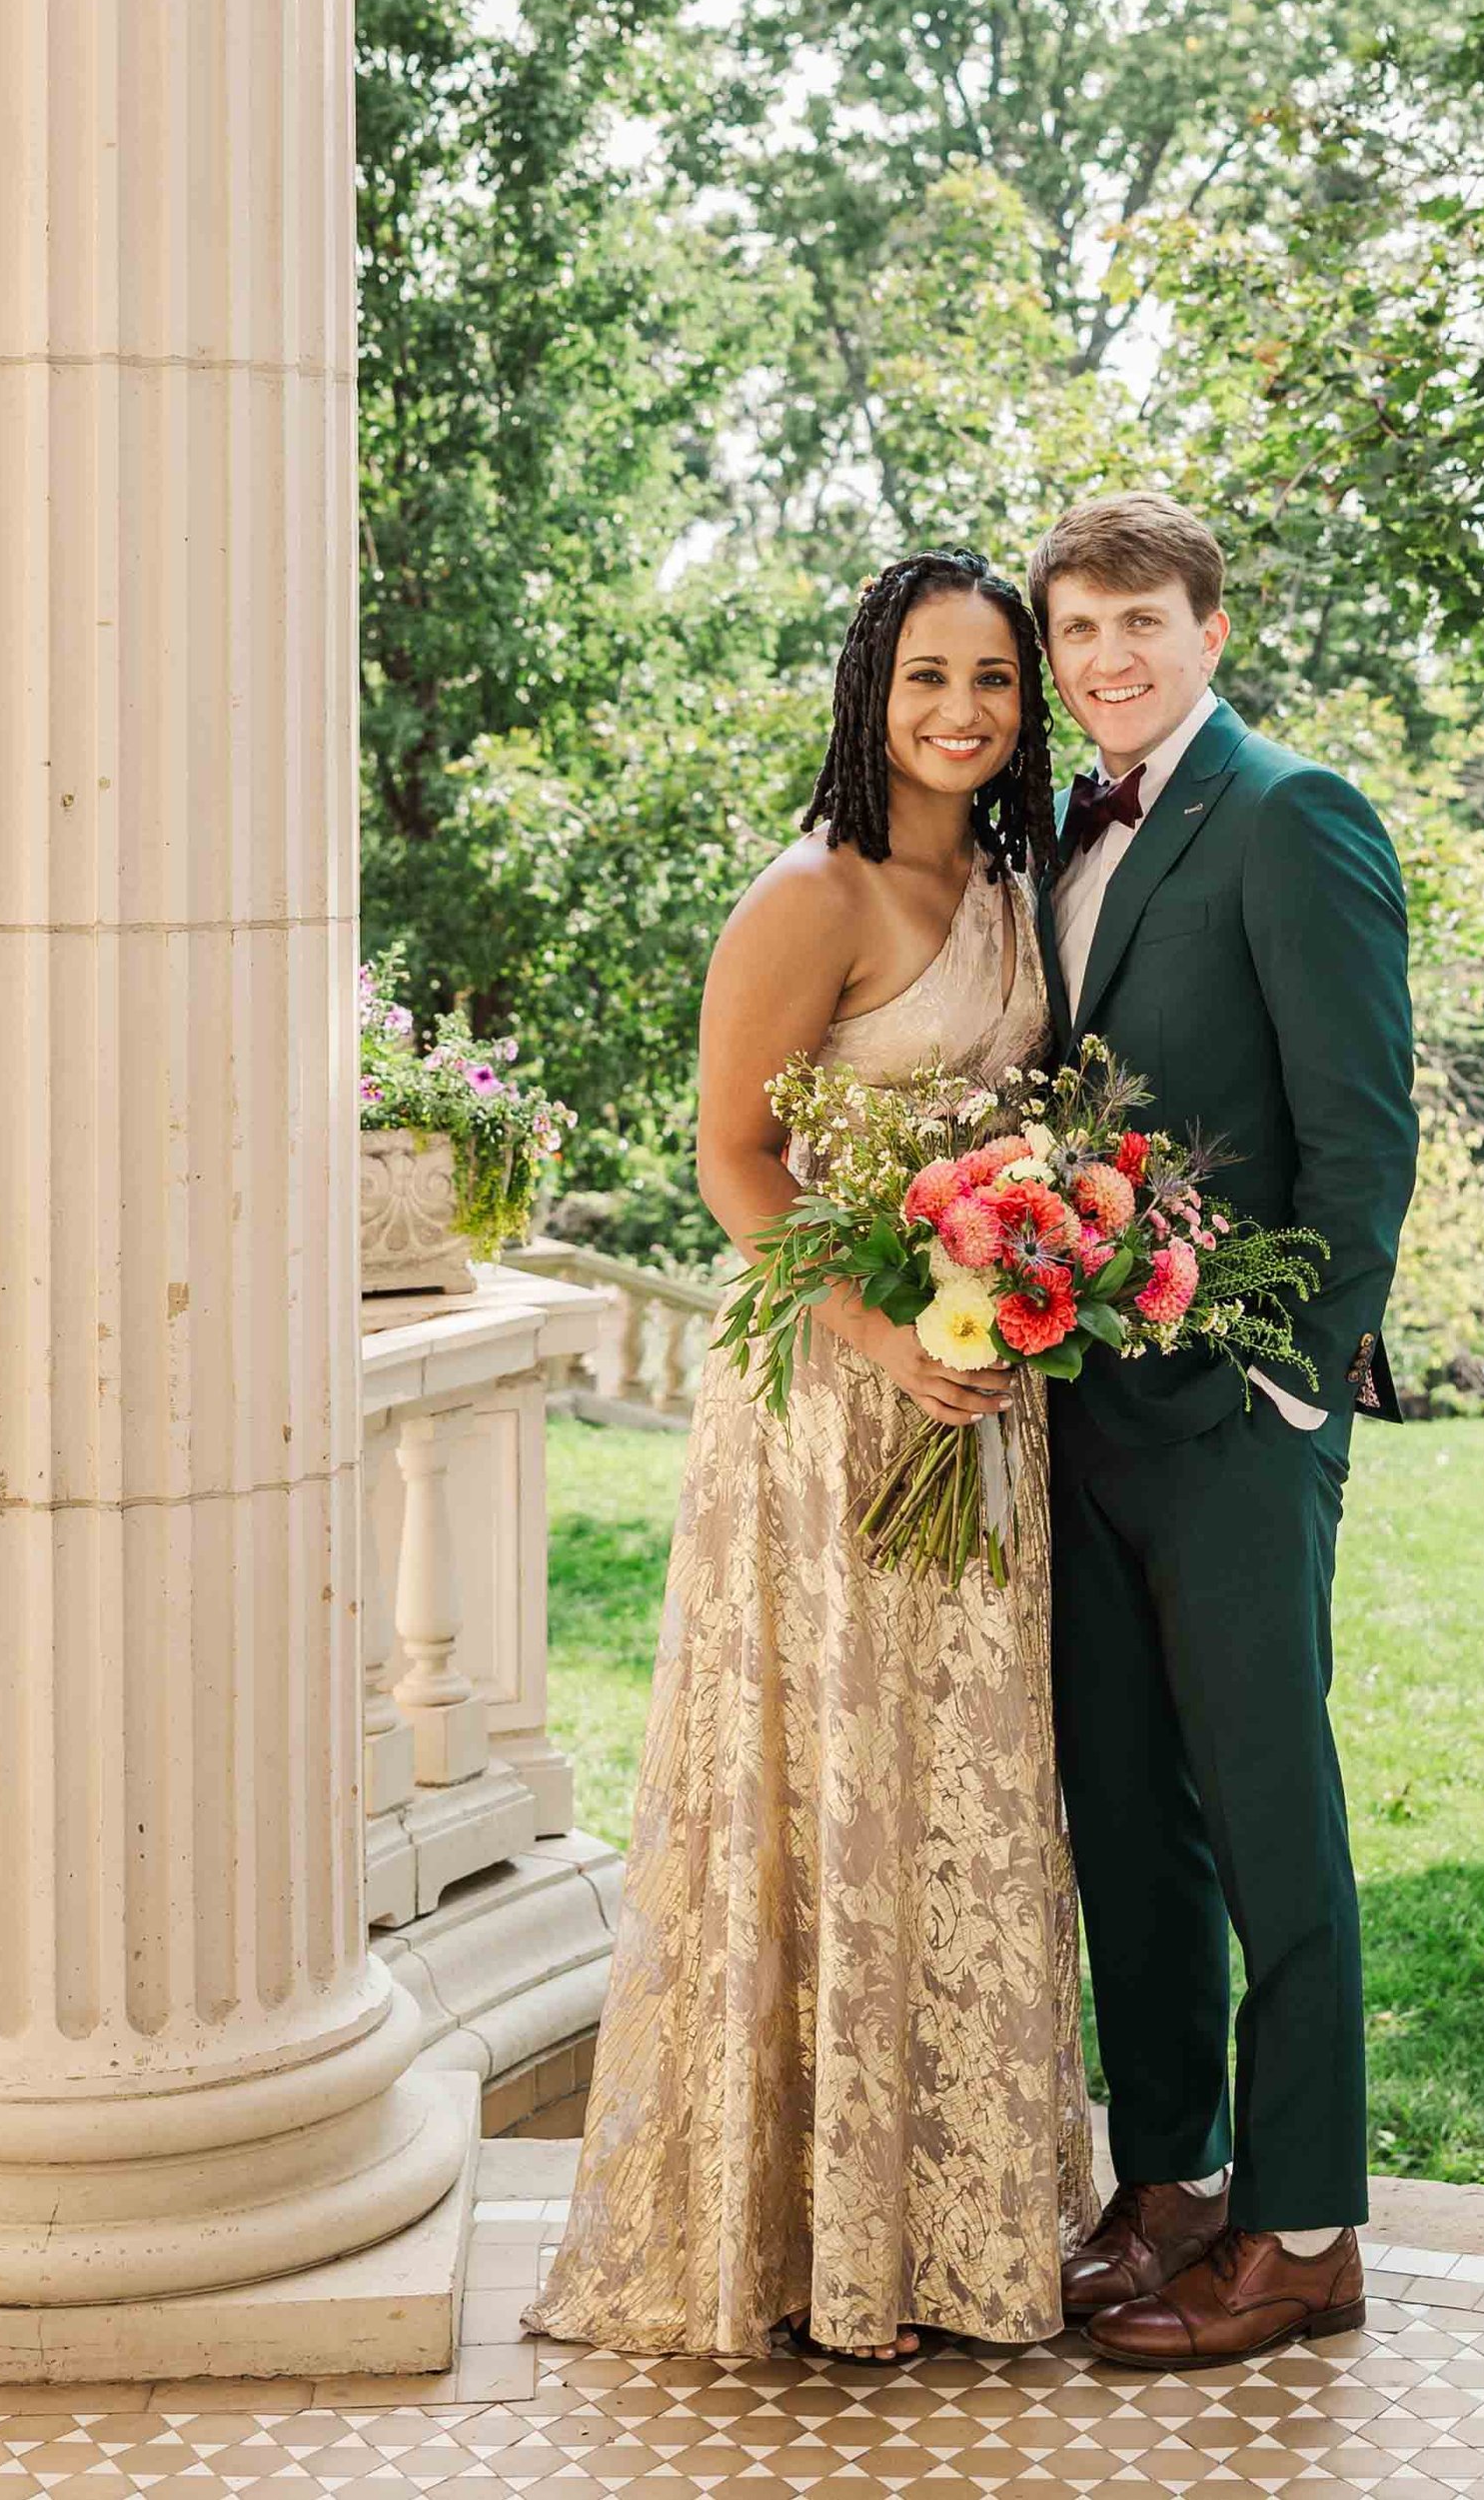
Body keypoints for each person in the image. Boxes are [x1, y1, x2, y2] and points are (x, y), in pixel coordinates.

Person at [528, 553, 1095, 2366]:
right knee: (826, 1777)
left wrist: (1014, 1299)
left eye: (996, 678)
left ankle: (950, 2221)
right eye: (930, 674)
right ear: (871, 689)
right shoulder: (812, 890)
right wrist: (880, 1336)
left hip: (981, 1394)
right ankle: (800, 2232)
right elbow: (732, 1158)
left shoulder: (1011, 882)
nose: (965, 708)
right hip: (830, 1405)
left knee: (959, 1788)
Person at [1032, 492, 1417, 2371]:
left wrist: (1295, 1371)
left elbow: (1361, 1136)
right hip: (1078, 1415)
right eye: (1078, 631)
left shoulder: (1292, 815)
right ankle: (1173, 2173)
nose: (1106, 659)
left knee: (1274, 1824)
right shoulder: (1054, 840)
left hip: (1240, 1420)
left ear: (1210, 628)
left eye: (1137, 623)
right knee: (1128, 1816)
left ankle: (1309, 2222)